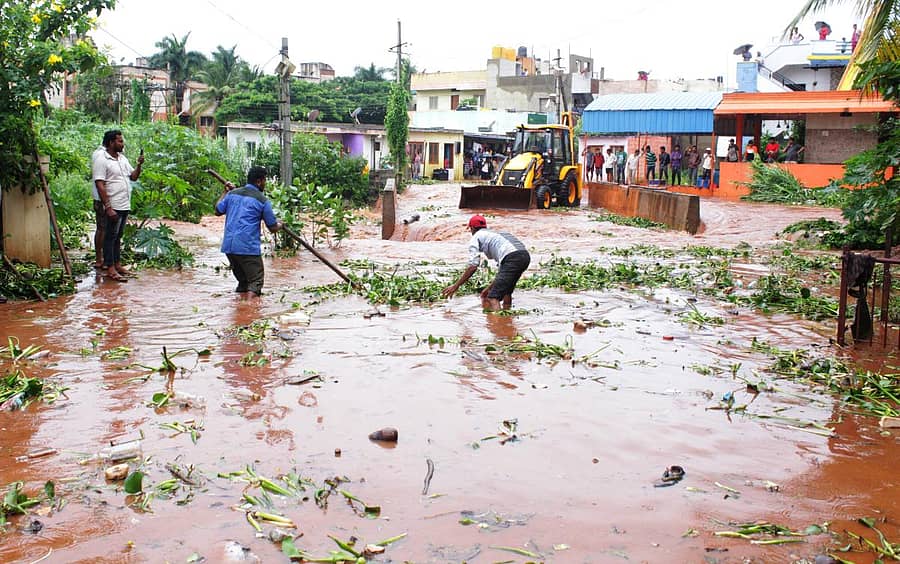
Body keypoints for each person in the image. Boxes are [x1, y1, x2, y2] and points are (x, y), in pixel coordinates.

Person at [215, 166, 283, 297]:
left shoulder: (232, 194)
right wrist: (281, 224)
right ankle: (250, 308)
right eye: (265, 180)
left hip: (229, 248)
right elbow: (273, 227)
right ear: (259, 181)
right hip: (247, 248)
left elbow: (218, 210)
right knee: (255, 283)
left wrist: (225, 193)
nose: (265, 183)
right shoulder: (262, 200)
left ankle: (240, 308)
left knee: (243, 283)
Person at [442, 215, 531, 311]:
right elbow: (503, 272)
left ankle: (497, 320)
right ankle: (507, 316)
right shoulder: (495, 234)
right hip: (524, 256)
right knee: (506, 291)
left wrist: (456, 286)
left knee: (492, 297)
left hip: (512, 258)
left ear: (472, 228)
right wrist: (488, 288)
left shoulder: (476, 237)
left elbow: (473, 266)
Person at [92, 129, 143, 283]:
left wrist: (139, 165)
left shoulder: (122, 159)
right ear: (111, 142)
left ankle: (117, 264)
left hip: (124, 204)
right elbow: (100, 184)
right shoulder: (102, 159)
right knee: (110, 236)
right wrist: (108, 207)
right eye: (120, 141)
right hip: (113, 204)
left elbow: (133, 177)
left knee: (117, 236)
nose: (122, 144)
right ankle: (110, 268)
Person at [90, 142, 107, 270]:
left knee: (102, 228)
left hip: (101, 198)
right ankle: (100, 258)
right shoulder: (102, 155)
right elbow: (100, 181)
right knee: (102, 229)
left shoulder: (98, 153)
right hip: (102, 198)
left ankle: (102, 258)